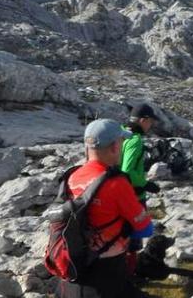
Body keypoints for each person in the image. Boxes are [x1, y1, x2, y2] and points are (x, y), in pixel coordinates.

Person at [57, 119, 154, 298]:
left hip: (71, 271)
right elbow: (145, 228)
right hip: (107, 275)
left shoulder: (71, 176)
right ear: (115, 147)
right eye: (121, 141)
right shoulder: (116, 183)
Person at [121, 103, 161, 272]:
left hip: (117, 194)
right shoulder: (135, 141)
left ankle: (119, 273)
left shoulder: (120, 134)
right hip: (134, 197)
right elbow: (127, 170)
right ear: (143, 120)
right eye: (150, 121)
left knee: (120, 237)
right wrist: (146, 184)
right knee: (133, 240)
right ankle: (130, 275)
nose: (151, 125)